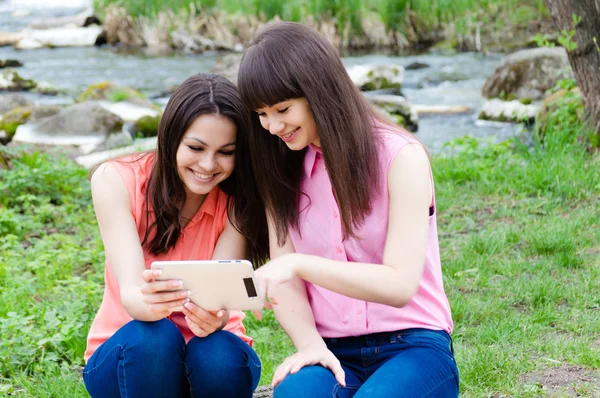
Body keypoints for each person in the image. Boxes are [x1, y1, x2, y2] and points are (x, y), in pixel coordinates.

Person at [237, 22, 459, 397]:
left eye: (282, 109)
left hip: (414, 345)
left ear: (317, 91)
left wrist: (301, 264)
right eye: (261, 113)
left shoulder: (400, 157)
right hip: (332, 347)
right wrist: (310, 346)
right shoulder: (279, 168)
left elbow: (400, 284)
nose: (272, 126)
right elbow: (284, 283)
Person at [83, 73, 267, 398]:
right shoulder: (116, 181)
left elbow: (220, 299)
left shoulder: (238, 202)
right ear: (171, 139)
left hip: (208, 356)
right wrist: (154, 304)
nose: (208, 164)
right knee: (155, 338)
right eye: (196, 147)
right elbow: (131, 294)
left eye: (226, 152)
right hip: (130, 358)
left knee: (218, 350)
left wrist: (217, 316)